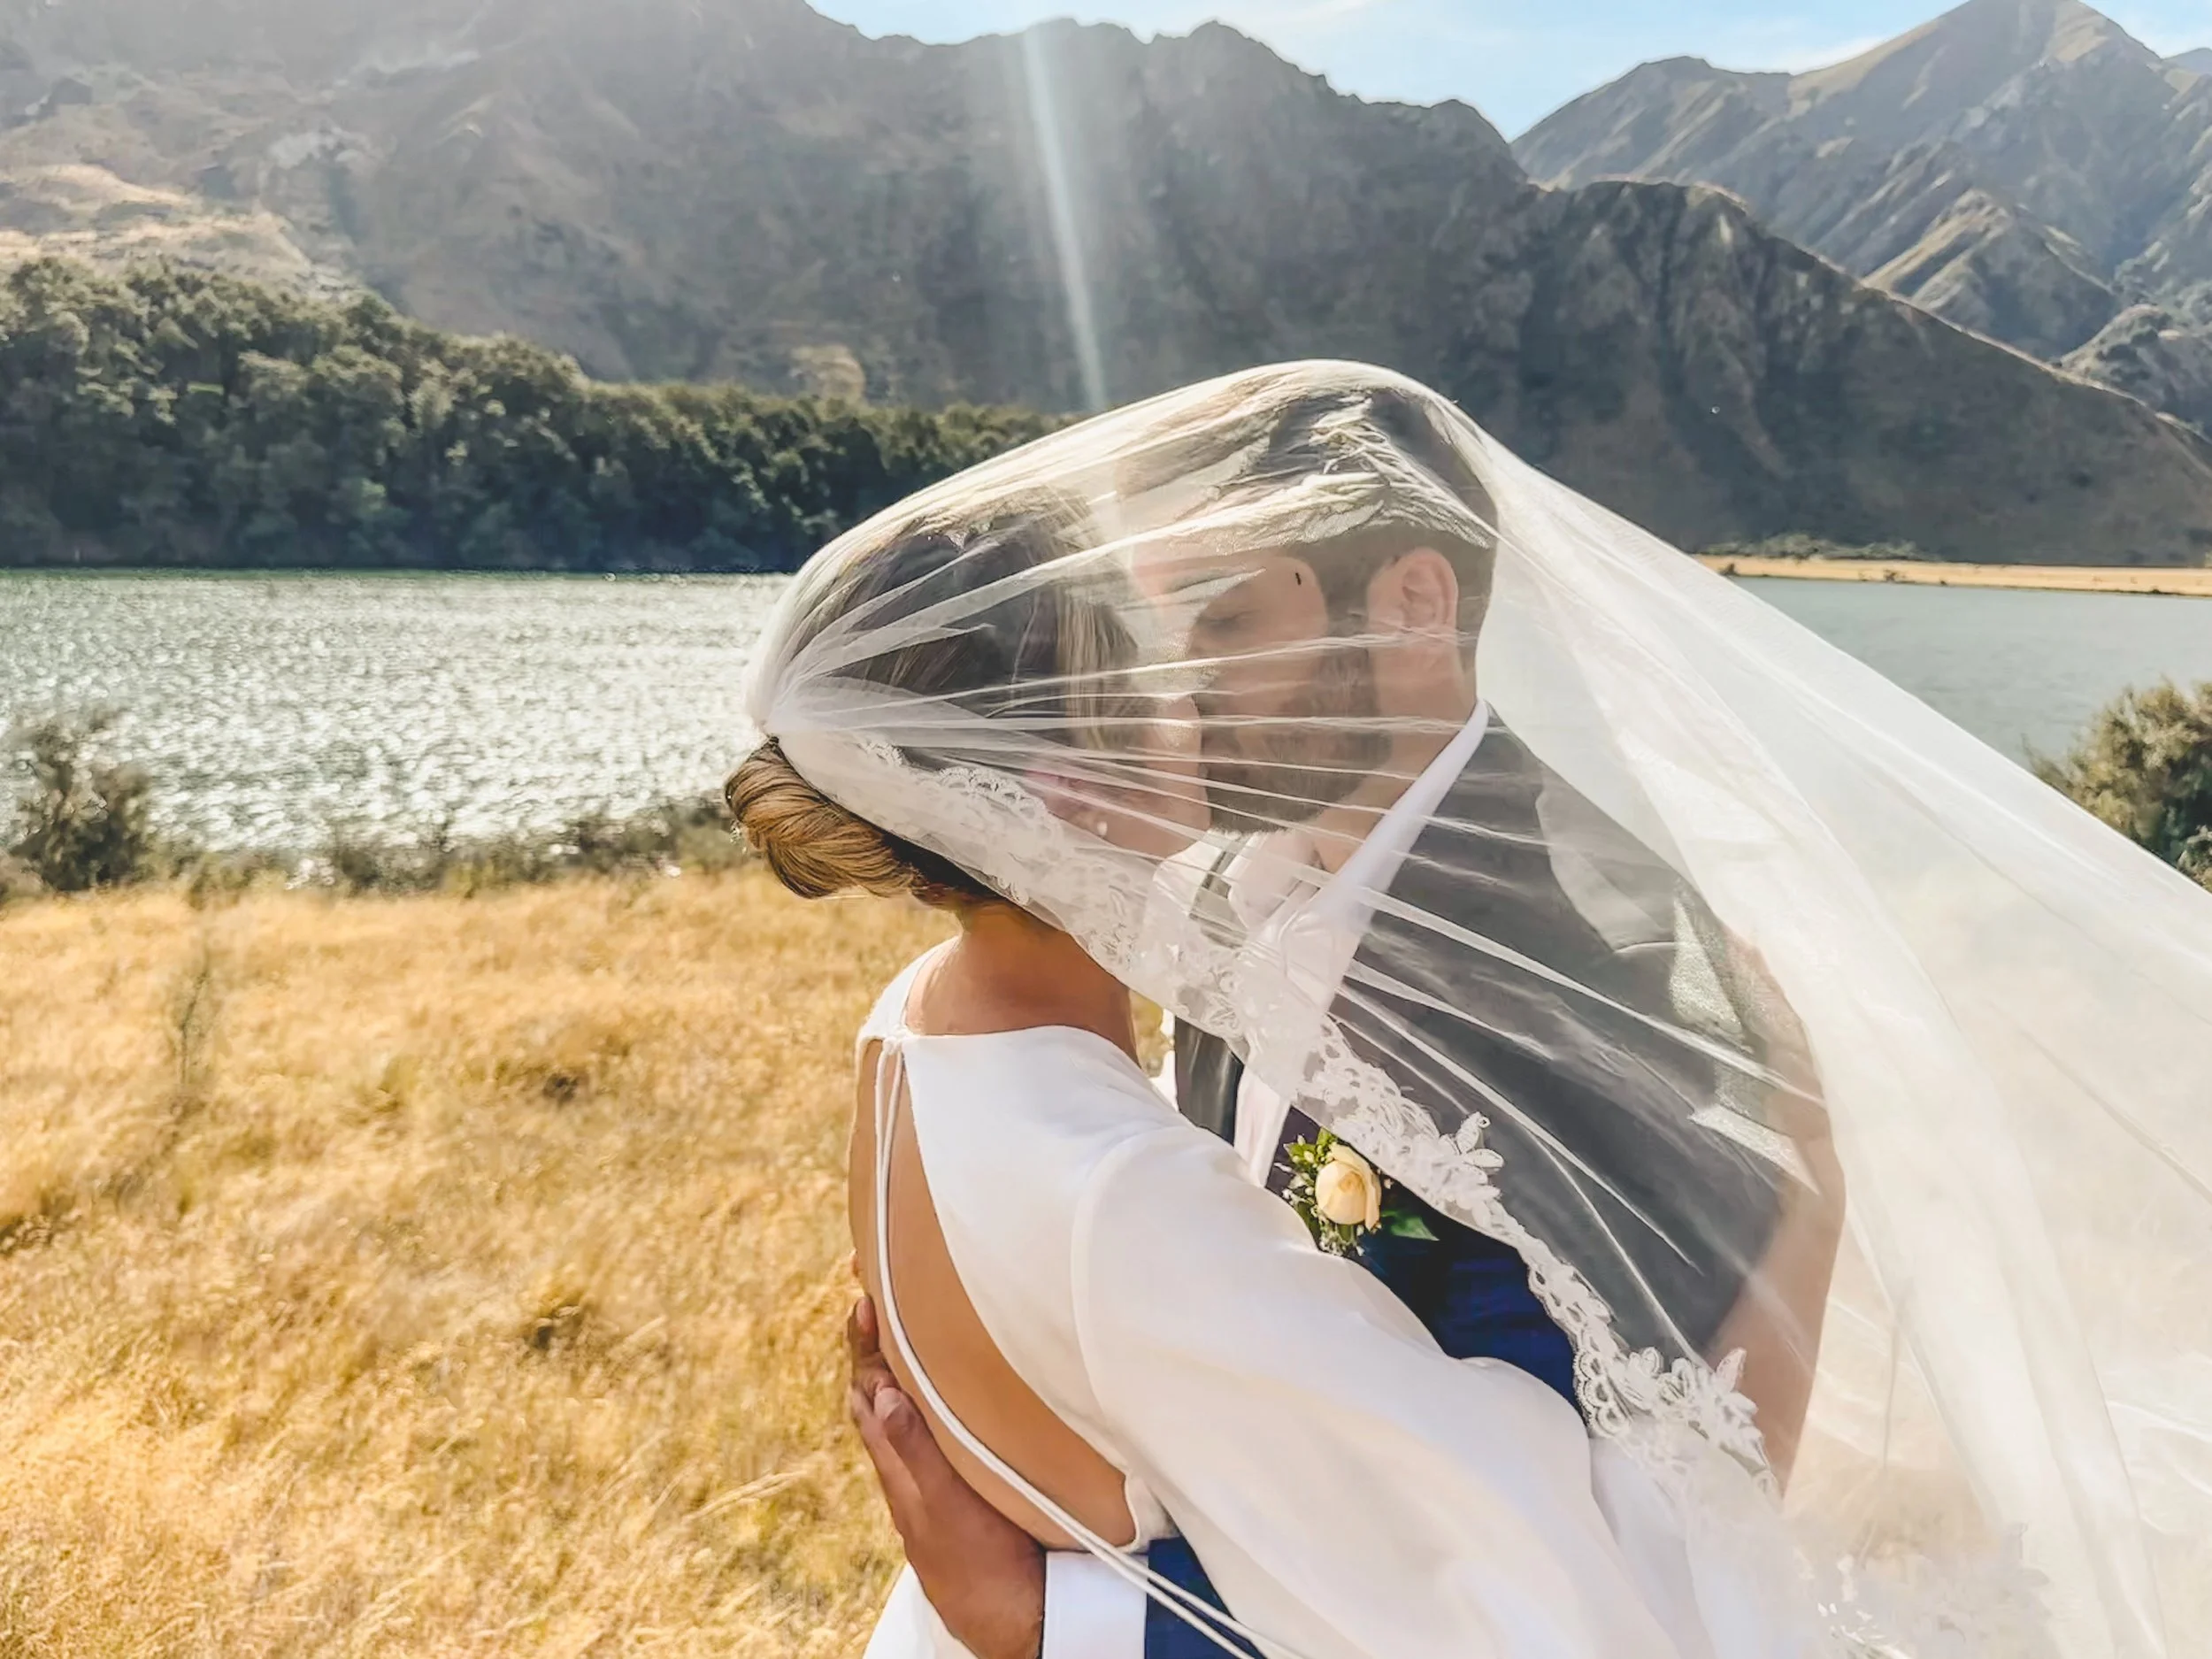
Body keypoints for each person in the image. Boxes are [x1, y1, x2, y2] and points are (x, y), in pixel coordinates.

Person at [741, 362, 2212, 1659]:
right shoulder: (1179, 915)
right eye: (1157, 640)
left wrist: (1059, 1624)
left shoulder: (1620, 973)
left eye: (1226, 618)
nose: (1179, 687)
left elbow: (1664, 1504)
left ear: (1420, 603)